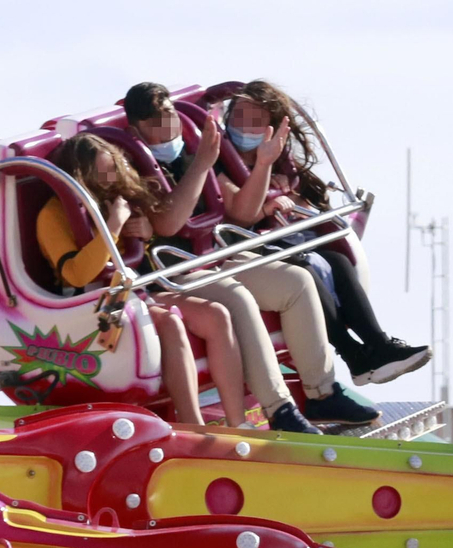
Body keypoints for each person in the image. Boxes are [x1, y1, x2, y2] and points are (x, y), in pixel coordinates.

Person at [121, 83, 376, 429]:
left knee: (297, 281)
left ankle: (322, 393)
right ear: (136, 129)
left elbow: (239, 215)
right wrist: (202, 166)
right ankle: (279, 409)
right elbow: (168, 224)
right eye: (154, 124)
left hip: (215, 256)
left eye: (169, 117)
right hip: (174, 273)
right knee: (238, 300)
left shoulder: (193, 146)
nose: (166, 129)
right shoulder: (136, 165)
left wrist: (264, 162)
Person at [218, 81, 431, 387]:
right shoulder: (221, 163)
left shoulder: (281, 162)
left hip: (285, 240)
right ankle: (351, 352)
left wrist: (291, 194)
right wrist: (267, 196)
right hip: (244, 247)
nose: (245, 127)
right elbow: (239, 214)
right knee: (304, 271)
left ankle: (379, 344)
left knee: (337, 262)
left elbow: (305, 202)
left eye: (255, 121)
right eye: (239, 117)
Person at [37, 133, 245, 428]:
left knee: (216, 315)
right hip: (89, 304)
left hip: (134, 293)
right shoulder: (53, 215)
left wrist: (148, 233)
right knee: (170, 322)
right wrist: (115, 225)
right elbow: (78, 273)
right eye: (101, 173)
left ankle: (239, 424)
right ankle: (193, 424)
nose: (110, 178)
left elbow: (137, 255)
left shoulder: (117, 199)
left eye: (113, 168)